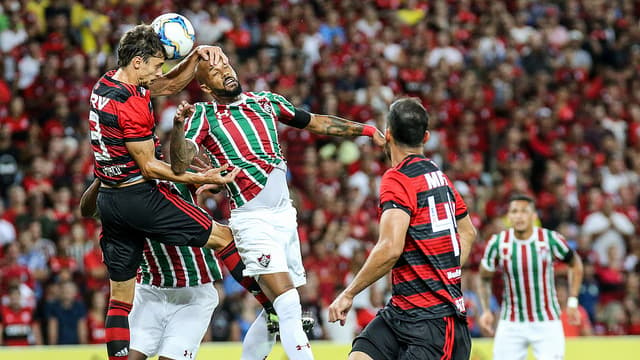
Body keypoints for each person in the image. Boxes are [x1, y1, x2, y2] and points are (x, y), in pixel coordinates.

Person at [169, 59, 386, 360]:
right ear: (205, 87)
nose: (227, 72)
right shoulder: (203, 115)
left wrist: (365, 130)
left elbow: (316, 121)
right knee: (288, 305)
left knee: (275, 312)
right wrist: (179, 129)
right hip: (251, 219)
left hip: (285, 216)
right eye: (216, 73)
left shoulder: (266, 102)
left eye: (227, 66)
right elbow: (180, 164)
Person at [88, 24, 240, 360]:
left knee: (119, 299)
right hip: (138, 197)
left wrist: (197, 54)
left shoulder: (107, 83)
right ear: (139, 62)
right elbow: (148, 166)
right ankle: (272, 304)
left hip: (110, 201)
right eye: (157, 65)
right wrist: (196, 177)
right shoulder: (131, 102)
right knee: (222, 236)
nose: (160, 72)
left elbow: (168, 83)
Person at [327, 98, 477, 360]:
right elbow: (468, 232)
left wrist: (349, 293)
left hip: (435, 323)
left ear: (387, 135)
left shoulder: (397, 178)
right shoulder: (438, 175)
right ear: (426, 137)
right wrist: (444, 269)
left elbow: (390, 248)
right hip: (400, 312)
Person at [477, 194, 584, 360]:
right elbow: (484, 277)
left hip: (546, 320)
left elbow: (575, 263)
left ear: (534, 216)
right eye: (514, 211)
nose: (519, 216)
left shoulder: (550, 239)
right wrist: (485, 310)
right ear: (509, 216)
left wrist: (572, 300)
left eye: (524, 211)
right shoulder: (498, 243)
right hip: (512, 322)